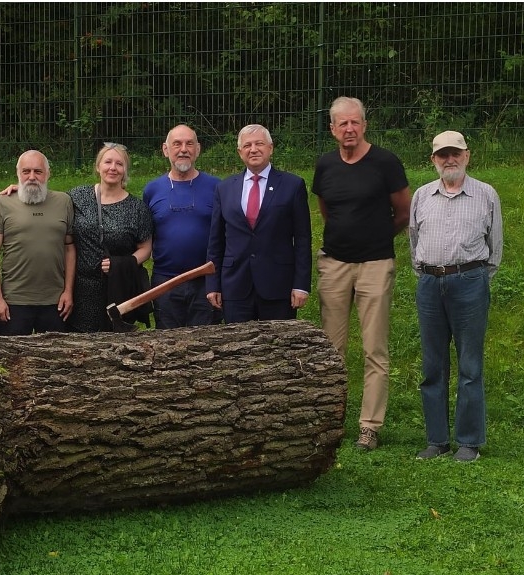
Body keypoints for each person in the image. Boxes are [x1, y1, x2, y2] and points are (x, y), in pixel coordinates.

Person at [312, 97, 411, 451]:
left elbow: (402, 211)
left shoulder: (385, 162)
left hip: (375, 264)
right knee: (331, 349)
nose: (349, 129)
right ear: (333, 129)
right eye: (342, 124)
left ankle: (369, 426)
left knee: (374, 349)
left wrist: (376, 238)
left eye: (355, 123)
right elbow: (327, 211)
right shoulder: (325, 166)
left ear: (364, 125)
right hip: (335, 265)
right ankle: (331, 421)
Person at [409, 131, 503, 463]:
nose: (450, 159)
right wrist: (431, 277)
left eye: (456, 153)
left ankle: (469, 441)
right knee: (433, 365)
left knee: (470, 365)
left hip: (471, 283)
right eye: (442, 154)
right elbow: (414, 242)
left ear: (467, 156)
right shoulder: (421, 196)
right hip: (430, 285)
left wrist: (472, 279)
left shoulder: (486, 195)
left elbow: (495, 250)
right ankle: (436, 441)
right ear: (433, 159)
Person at [205, 124, 312, 323]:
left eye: (259, 144)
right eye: (247, 145)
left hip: (278, 284)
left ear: (270, 148)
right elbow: (216, 240)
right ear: (239, 152)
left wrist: (301, 285)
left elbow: (303, 238)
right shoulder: (225, 188)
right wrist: (213, 284)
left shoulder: (292, 185)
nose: (253, 149)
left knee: (278, 347)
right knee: (237, 347)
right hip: (235, 285)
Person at [0, 150, 75, 335]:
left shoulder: (64, 201)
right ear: (18, 174)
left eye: (38, 171)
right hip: (14, 301)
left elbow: (69, 249)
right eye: (26, 172)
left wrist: (68, 291)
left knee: (55, 359)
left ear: (47, 174)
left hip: (55, 301)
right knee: (14, 361)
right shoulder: (2, 203)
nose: (32, 177)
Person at [142, 124, 222, 328]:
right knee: (167, 345)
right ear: (165, 149)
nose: (183, 149)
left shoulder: (217, 187)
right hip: (165, 282)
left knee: (207, 343)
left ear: (198, 149)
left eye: (189, 144)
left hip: (206, 281)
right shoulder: (152, 190)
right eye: (176, 144)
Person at [68, 143, 153, 332]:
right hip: (81, 289)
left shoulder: (137, 208)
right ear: (98, 166)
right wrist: (22, 187)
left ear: (125, 171)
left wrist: (123, 263)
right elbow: (49, 203)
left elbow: (146, 248)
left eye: (119, 164)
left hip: (118, 289)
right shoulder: (77, 197)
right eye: (107, 162)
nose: (113, 168)